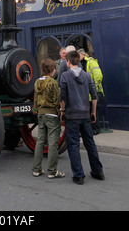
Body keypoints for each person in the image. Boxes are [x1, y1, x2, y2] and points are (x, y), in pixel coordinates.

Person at [60, 50, 104, 185]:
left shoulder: (65, 76)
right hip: (85, 114)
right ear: (78, 61)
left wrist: (62, 110)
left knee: (73, 145)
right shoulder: (86, 76)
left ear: (68, 62)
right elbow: (94, 95)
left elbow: (63, 96)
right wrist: (93, 112)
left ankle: (79, 175)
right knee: (90, 143)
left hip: (71, 115)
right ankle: (98, 172)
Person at [32, 58, 65, 179]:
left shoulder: (36, 82)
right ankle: (52, 171)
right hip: (52, 114)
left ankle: (36, 169)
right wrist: (60, 113)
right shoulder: (53, 82)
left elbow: (35, 100)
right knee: (52, 143)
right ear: (51, 70)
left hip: (41, 114)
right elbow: (57, 100)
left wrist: (38, 110)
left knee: (40, 141)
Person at [78, 48, 104, 135]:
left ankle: (95, 129)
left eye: (78, 56)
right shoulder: (80, 63)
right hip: (86, 93)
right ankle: (90, 130)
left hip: (94, 92)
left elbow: (98, 75)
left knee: (93, 111)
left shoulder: (90, 61)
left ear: (82, 54)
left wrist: (95, 87)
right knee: (89, 111)